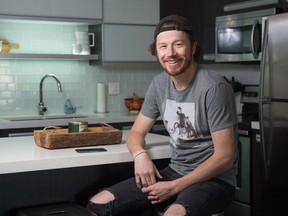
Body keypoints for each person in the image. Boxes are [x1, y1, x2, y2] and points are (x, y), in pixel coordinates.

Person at [87, 14, 238, 216]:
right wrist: (140, 156)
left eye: (178, 45)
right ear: (156, 51)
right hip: (174, 173)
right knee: (98, 205)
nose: (171, 53)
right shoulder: (159, 84)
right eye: (163, 47)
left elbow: (225, 157)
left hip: (214, 181)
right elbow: (136, 134)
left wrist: (174, 187)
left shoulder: (213, 87)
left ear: (193, 48)